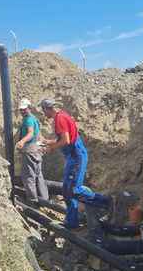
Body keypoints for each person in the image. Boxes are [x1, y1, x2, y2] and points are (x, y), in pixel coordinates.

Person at [39, 98, 114, 230]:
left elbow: (66, 141)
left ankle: (106, 202)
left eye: (43, 110)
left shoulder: (60, 119)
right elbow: (64, 137)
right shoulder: (62, 116)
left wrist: (51, 147)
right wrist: (49, 142)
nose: (43, 113)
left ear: (47, 108)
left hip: (76, 157)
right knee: (66, 191)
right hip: (72, 158)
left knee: (74, 191)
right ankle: (72, 223)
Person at [15, 98, 49, 205]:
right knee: (38, 175)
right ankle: (44, 200)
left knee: (29, 177)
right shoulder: (33, 118)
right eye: (21, 109)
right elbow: (38, 134)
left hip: (30, 151)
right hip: (36, 150)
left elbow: (30, 133)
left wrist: (21, 142)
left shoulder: (28, 120)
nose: (22, 111)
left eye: (24, 109)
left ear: (29, 108)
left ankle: (33, 202)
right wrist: (43, 143)